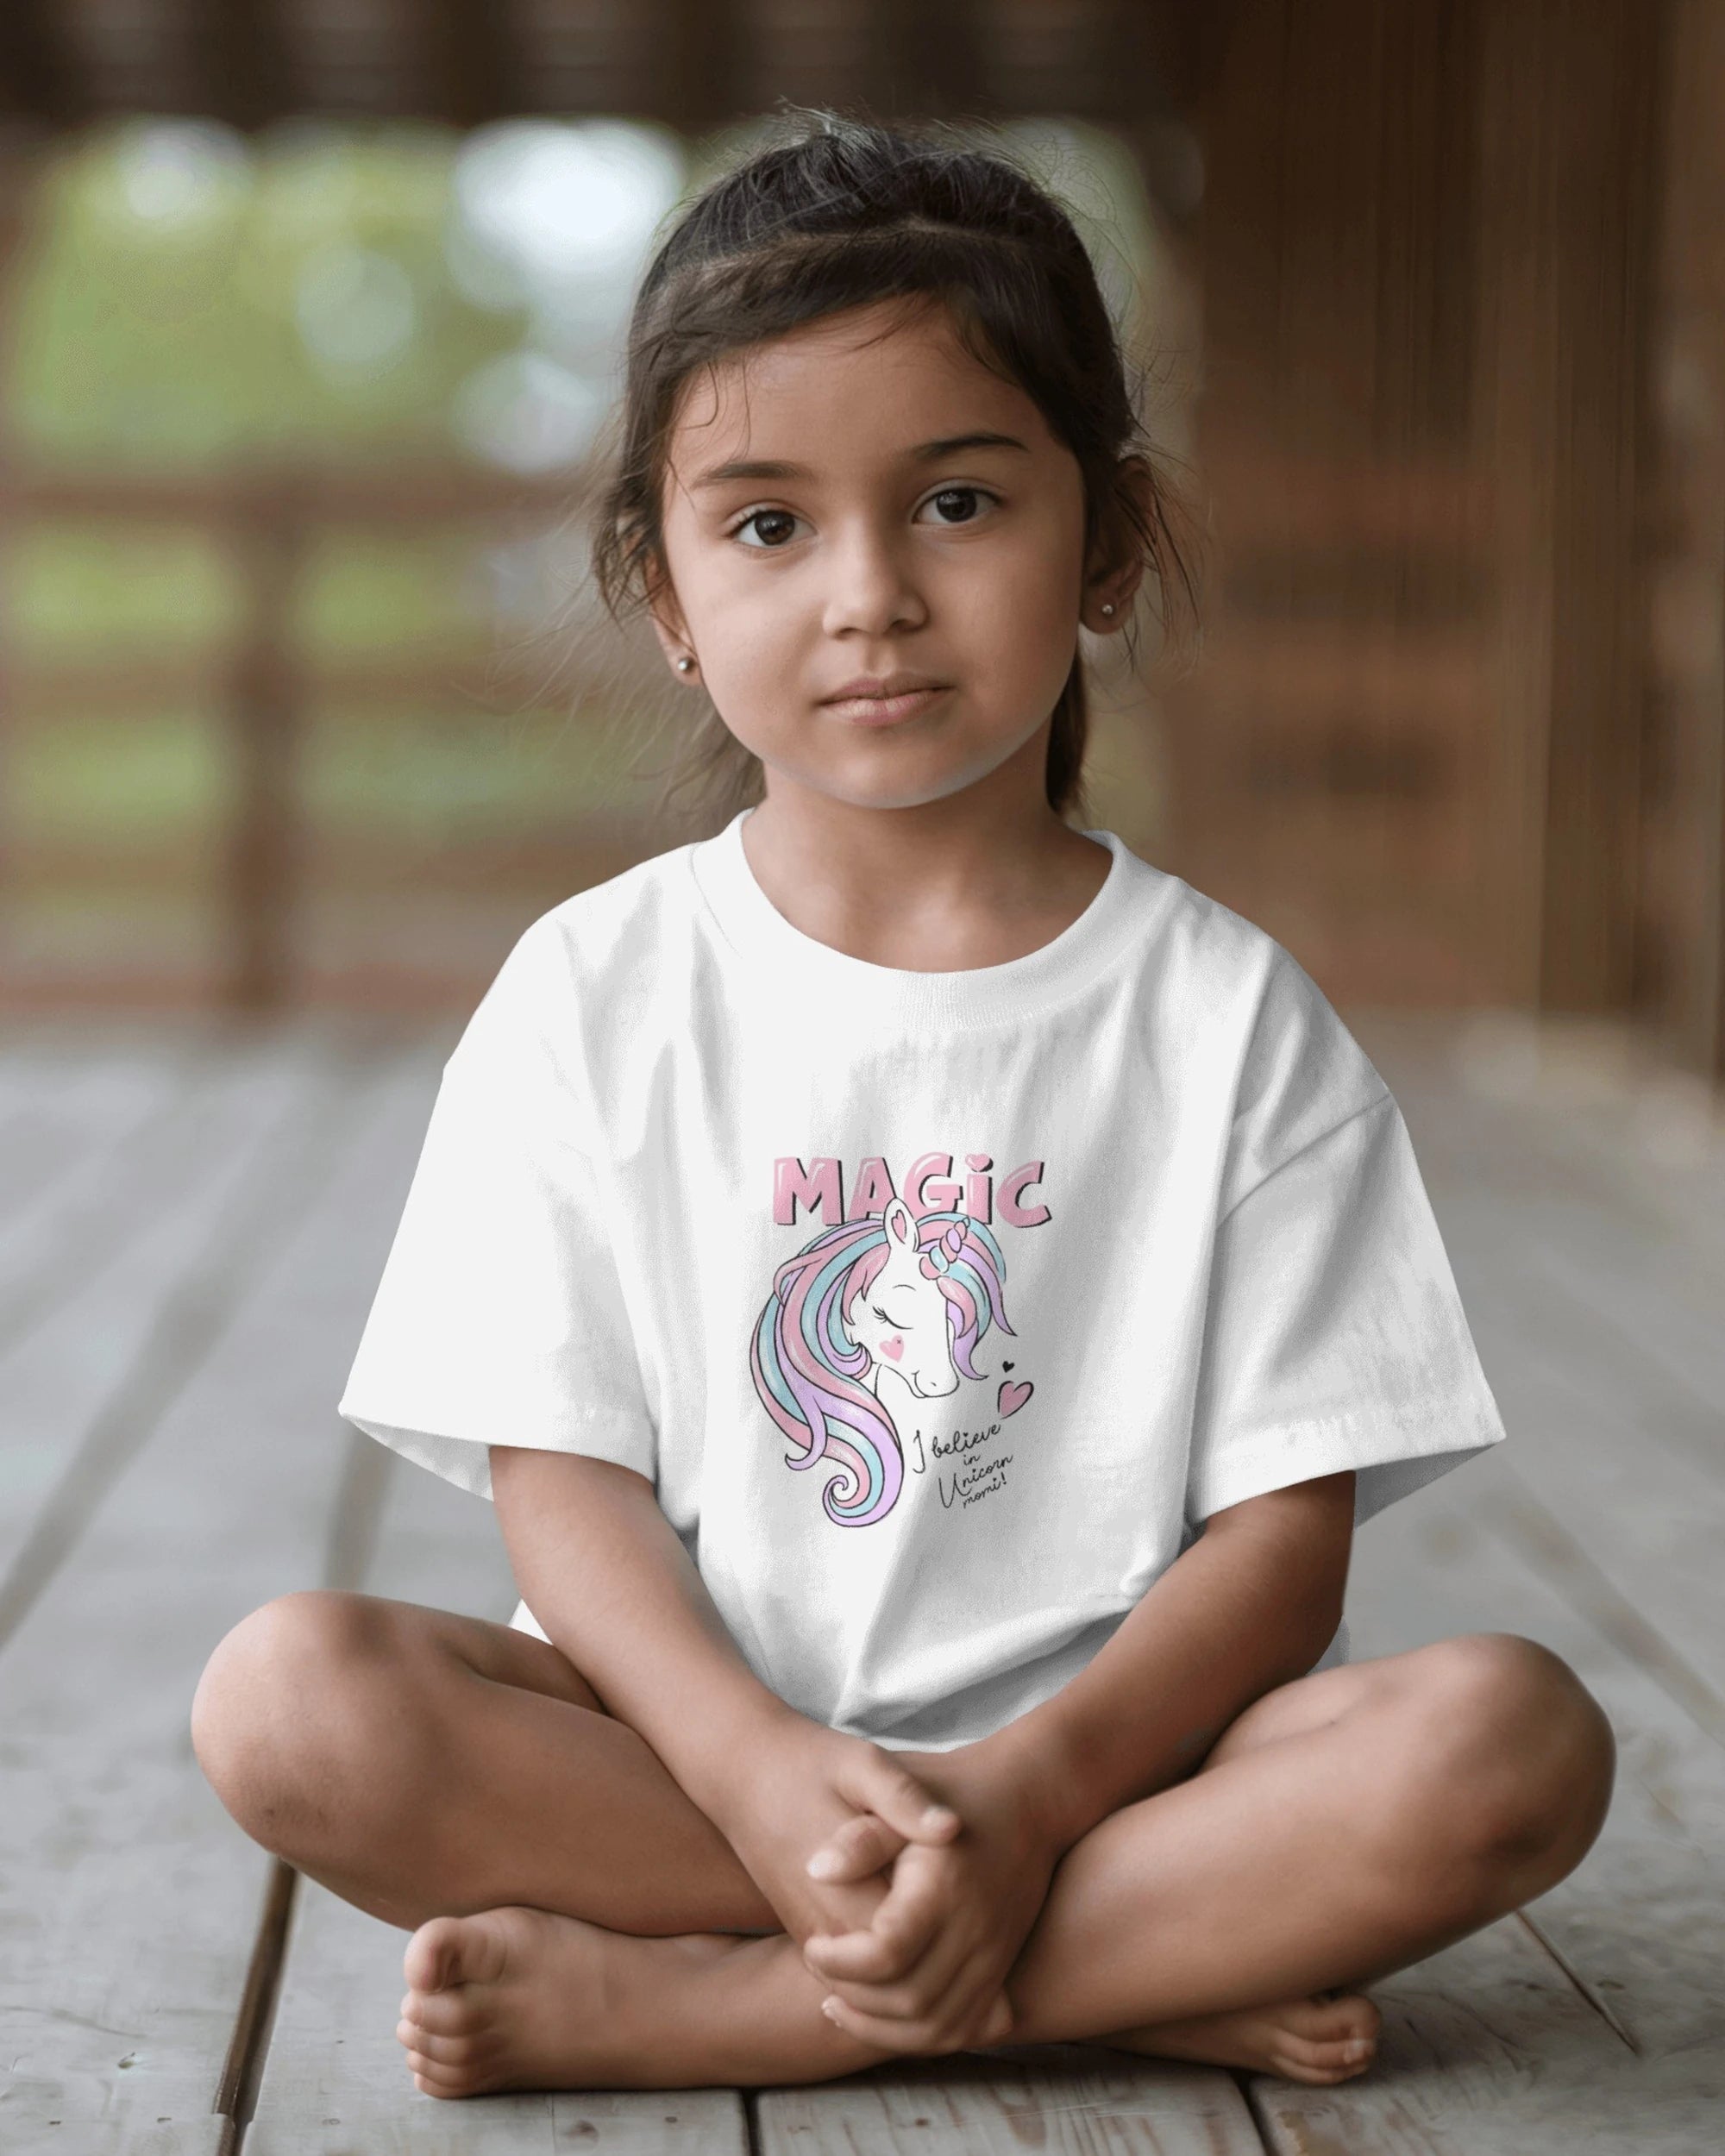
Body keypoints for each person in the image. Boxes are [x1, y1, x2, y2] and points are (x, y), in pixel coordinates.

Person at [189, 109, 1615, 2103]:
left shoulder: (1225, 1018)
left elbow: (1283, 1538)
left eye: (956, 501)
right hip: (680, 1758)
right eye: (768, 525)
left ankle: (721, 2005)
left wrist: (1026, 1796)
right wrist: (760, 1771)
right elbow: (562, 1480)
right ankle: (1117, 1968)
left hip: (1114, 1777)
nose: (868, 592)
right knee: (288, 1700)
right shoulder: (594, 991)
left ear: (1104, 539)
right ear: (664, 587)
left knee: (1509, 1738)